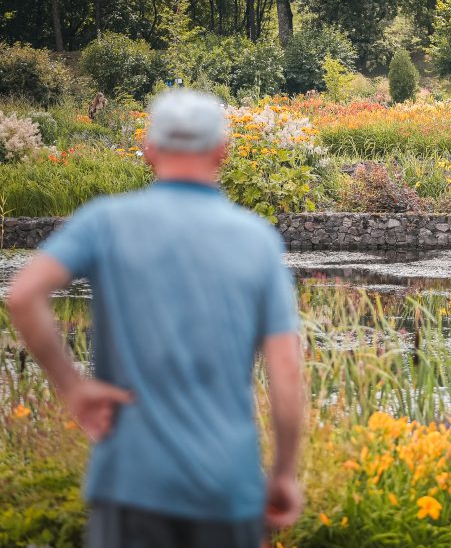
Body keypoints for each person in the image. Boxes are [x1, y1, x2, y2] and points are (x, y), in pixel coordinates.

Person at [5, 89, 304, 548]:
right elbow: (286, 372)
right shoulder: (257, 241)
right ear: (222, 151)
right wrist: (283, 472)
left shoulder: (104, 222)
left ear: (149, 149)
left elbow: (23, 295)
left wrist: (73, 385)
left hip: (130, 483)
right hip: (227, 486)